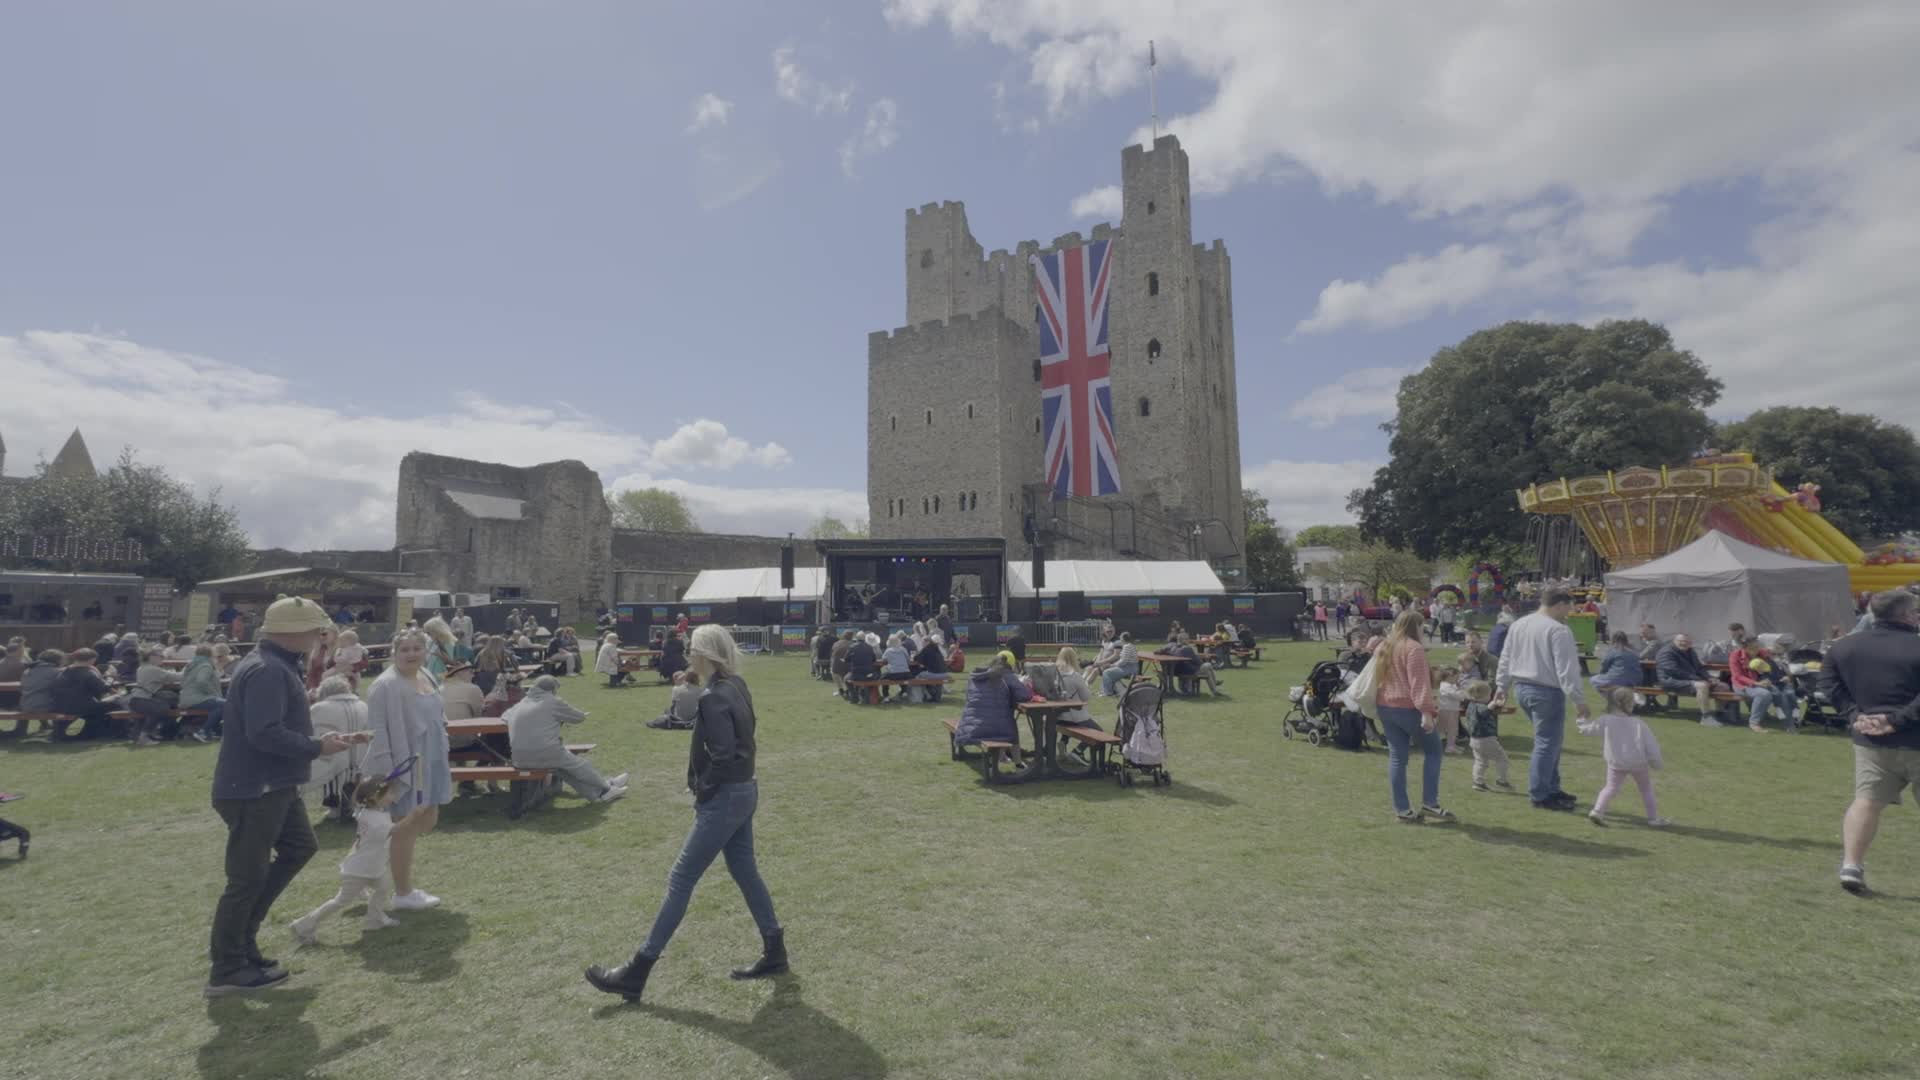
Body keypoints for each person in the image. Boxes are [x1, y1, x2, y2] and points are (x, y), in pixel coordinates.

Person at [586, 625, 785, 1002]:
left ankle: (637, 969)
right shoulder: (737, 685)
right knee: (745, 872)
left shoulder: (713, 696)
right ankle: (775, 949)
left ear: (704, 654)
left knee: (681, 878)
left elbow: (723, 755)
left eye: (694, 650)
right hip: (745, 789)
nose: (689, 656)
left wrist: (704, 789)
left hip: (727, 794)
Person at [206, 596, 361, 997]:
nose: (317, 636)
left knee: (298, 847)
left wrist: (316, 743)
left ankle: (243, 944)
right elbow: (264, 733)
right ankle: (227, 966)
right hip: (255, 788)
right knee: (246, 878)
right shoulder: (268, 670)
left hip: (271, 784)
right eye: (313, 630)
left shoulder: (272, 666)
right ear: (294, 632)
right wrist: (316, 747)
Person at [1820, 588, 1920, 895]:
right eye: (1916, 610)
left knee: (1866, 802)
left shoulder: (1842, 647)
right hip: (1914, 737)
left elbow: (1827, 684)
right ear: (1905, 615)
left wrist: (1855, 716)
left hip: (1869, 739)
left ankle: (1852, 865)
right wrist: (1895, 720)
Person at [363, 629, 454, 912]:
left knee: (427, 820)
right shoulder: (385, 686)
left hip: (433, 758)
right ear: (394, 652)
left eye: (417, 648)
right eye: (405, 649)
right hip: (404, 765)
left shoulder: (426, 675)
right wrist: (389, 778)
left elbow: (437, 713)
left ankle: (360, 877)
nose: (412, 654)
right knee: (405, 829)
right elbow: (377, 733)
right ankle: (403, 893)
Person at [1493, 589, 1589, 812]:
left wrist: (1502, 686)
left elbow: (1506, 657)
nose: (1569, 613)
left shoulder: (1519, 624)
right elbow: (1567, 669)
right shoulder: (1558, 630)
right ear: (1559, 605)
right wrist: (1578, 699)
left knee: (1550, 741)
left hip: (1523, 689)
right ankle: (1540, 794)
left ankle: (1552, 787)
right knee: (1547, 743)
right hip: (1546, 691)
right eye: (1569, 607)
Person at [290, 776, 402, 943]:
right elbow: (395, 830)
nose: (394, 797)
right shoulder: (374, 819)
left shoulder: (372, 813)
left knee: (383, 887)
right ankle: (303, 925)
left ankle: (374, 920)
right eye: (390, 793)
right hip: (359, 871)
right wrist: (415, 817)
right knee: (342, 901)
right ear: (373, 797)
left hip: (372, 867)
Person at [1374, 609, 1451, 823]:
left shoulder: (1384, 646)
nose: (1423, 629)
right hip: (1408, 708)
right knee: (1434, 751)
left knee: (1397, 757)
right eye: (1421, 625)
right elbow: (1419, 684)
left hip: (1385, 707)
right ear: (1415, 626)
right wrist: (1427, 711)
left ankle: (1403, 810)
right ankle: (1430, 803)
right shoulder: (1413, 648)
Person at [507, 676, 628, 802]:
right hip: (545, 752)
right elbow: (579, 717)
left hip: (518, 759)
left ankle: (596, 795)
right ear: (552, 690)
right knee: (580, 766)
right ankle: (608, 788)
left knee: (563, 770)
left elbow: (505, 718)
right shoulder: (552, 701)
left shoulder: (521, 704)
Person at [1578, 687, 1670, 827]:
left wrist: (1581, 721)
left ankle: (1597, 811)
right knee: (1646, 790)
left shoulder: (1605, 720)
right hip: (1638, 764)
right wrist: (1657, 763)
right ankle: (1653, 819)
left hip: (1616, 764)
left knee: (1610, 788)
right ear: (1627, 704)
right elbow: (1651, 746)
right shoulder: (1639, 724)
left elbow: (1588, 730)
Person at [954, 651, 1034, 766]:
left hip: (971, 726)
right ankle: (1018, 762)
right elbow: (1024, 696)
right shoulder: (1007, 675)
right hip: (993, 727)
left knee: (1003, 719)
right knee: (1009, 724)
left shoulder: (977, 675)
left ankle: (1003, 757)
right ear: (1010, 664)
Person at [305, 675, 370, 814]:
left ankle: (336, 806)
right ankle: (351, 806)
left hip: (332, 755)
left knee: (328, 765)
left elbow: (311, 733)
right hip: (361, 756)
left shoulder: (319, 708)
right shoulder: (363, 705)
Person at [1655, 633, 1722, 727]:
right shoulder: (1666, 652)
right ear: (1674, 641)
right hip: (1670, 681)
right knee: (1702, 686)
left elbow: (1699, 667)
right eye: (1681, 641)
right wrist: (1698, 679)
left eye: (1687, 642)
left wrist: (1709, 678)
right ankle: (1706, 717)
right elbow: (1674, 671)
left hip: (1688, 680)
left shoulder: (1690, 651)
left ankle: (1722, 714)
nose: (1684, 643)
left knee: (1723, 686)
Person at [127, 643, 185, 746]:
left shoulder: (143, 667)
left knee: (164, 704)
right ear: (152, 657)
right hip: (141, 700)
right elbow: (176, 677)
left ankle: (143, 735)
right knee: (162, 707)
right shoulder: (152, 669)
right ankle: (144, 737)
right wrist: (187, 669)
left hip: (136, 700)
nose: (163, 659)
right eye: (161, 656)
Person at [1461, 681, 1511, 792]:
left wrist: (1496, 705)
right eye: (1489, 695)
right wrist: (1494, 703)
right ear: (1482, 696)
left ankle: (1478, 782)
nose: (1490, 697)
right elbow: (1485, 711)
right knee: (1502, 759)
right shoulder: (1480, 707)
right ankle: (1502, 781)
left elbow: (1487, 712)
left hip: (1474, 740)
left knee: (1480, 761)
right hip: (1486, 739)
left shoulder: (1470, 705)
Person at [181, 644, 227, 741]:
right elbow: (201, 681)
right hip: (197, 699)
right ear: (210, 655)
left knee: (220, 707)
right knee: (227, 704)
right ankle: (203, 731)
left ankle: (210, 731)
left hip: (187, 699)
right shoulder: (206, 665)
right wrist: (213, 693)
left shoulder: (191, 664)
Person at [1052, 647, 1097, 728]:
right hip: (1074, 718)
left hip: (1056, 716)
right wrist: (1086, 683)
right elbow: (1085, 697)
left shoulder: (1053, 673)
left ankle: (1064, 740)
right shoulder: (1074, 675)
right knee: (1100, 734)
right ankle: (1066, 739)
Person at [911, 633, 948, 704]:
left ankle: (924, 696)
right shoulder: (936, 648)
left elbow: (917, 658)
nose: (922, 644)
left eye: (922, 642)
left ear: (926, 642)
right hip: (945, 674)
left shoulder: (926, 648)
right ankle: (936, 697)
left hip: (936, 674)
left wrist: (914, 655)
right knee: (934, 679)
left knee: (918, 675)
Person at [1434, 667, 1464, 754]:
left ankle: (1452, 745)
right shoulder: (1445, 686)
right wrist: (1462, 694)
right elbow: (1457, 696)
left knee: (1453, 729)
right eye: (1456, 677)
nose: (1458, 679)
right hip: (1447, 710)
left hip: (1451, 710)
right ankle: (1449, 747)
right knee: (1451, 729)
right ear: (1450, 677)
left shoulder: (1450, 685)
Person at [1100, 633, 1141, 697]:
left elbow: (1123, 661)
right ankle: (1111, 691)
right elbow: (1123, 660)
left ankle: (1108, 693)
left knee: (1106, 672)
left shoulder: (1127, 646)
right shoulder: (1131, 645)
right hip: (1130, 667)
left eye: (1120, 638)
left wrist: (1112, 665)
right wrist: (1113, 665)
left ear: (1123, 639)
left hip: (1129, 669)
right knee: (1109, 671)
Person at [878, 633, 915, 702]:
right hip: (906, 673)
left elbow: (883, 659)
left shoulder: (888, 651)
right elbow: (908, 659)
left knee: (883, 678)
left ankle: (886, 697)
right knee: (902, 676)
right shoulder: (903, 649)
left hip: (894, 673)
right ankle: (903, 692)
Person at [844, 633, 879, 701]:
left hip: (856, 674)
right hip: (869, 674)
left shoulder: (852, 647)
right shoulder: (870, 647)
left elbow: (846, 659)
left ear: (857, 638)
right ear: (864, 638)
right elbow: (874, 659)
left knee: (846, 679)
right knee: (875, 676)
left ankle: (854, 697)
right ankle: (865, 696)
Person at [827, 630, 854, 699]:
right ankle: (848, 690)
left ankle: (841, 689)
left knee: (834, 672)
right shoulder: (853, 644)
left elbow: (832, 655)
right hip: (848, 667)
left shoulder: (836, 643)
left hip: (836, 667)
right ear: (851, 637)